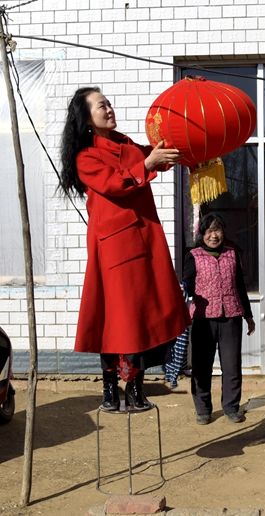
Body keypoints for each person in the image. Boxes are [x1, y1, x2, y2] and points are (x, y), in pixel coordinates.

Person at [59, 87, 190, 411]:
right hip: (115, 247)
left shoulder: (124, 143)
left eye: (108, 103)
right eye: (100, 106)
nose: (109, 109)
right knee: (118, 318)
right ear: (86, 118)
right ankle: (110, 389)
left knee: (139, 315)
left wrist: (188, 145)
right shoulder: (86, 156)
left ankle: (134, 388)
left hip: (142, 239)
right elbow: (116, 183)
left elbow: (155, 156)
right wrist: (148, 163)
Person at [183, 212, 256, 425]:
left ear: (223, 232)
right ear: (202, 233)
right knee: (201, 366)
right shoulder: (193, 256)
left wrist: (248, 315)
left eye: (217, 230)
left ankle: (231, 407)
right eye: (209, 231)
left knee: (232, 365)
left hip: (231, 317)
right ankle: (203, 409)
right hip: (203, 319)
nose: (213, 235)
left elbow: (240, 286)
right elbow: (186, 285)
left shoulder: (232, 254)